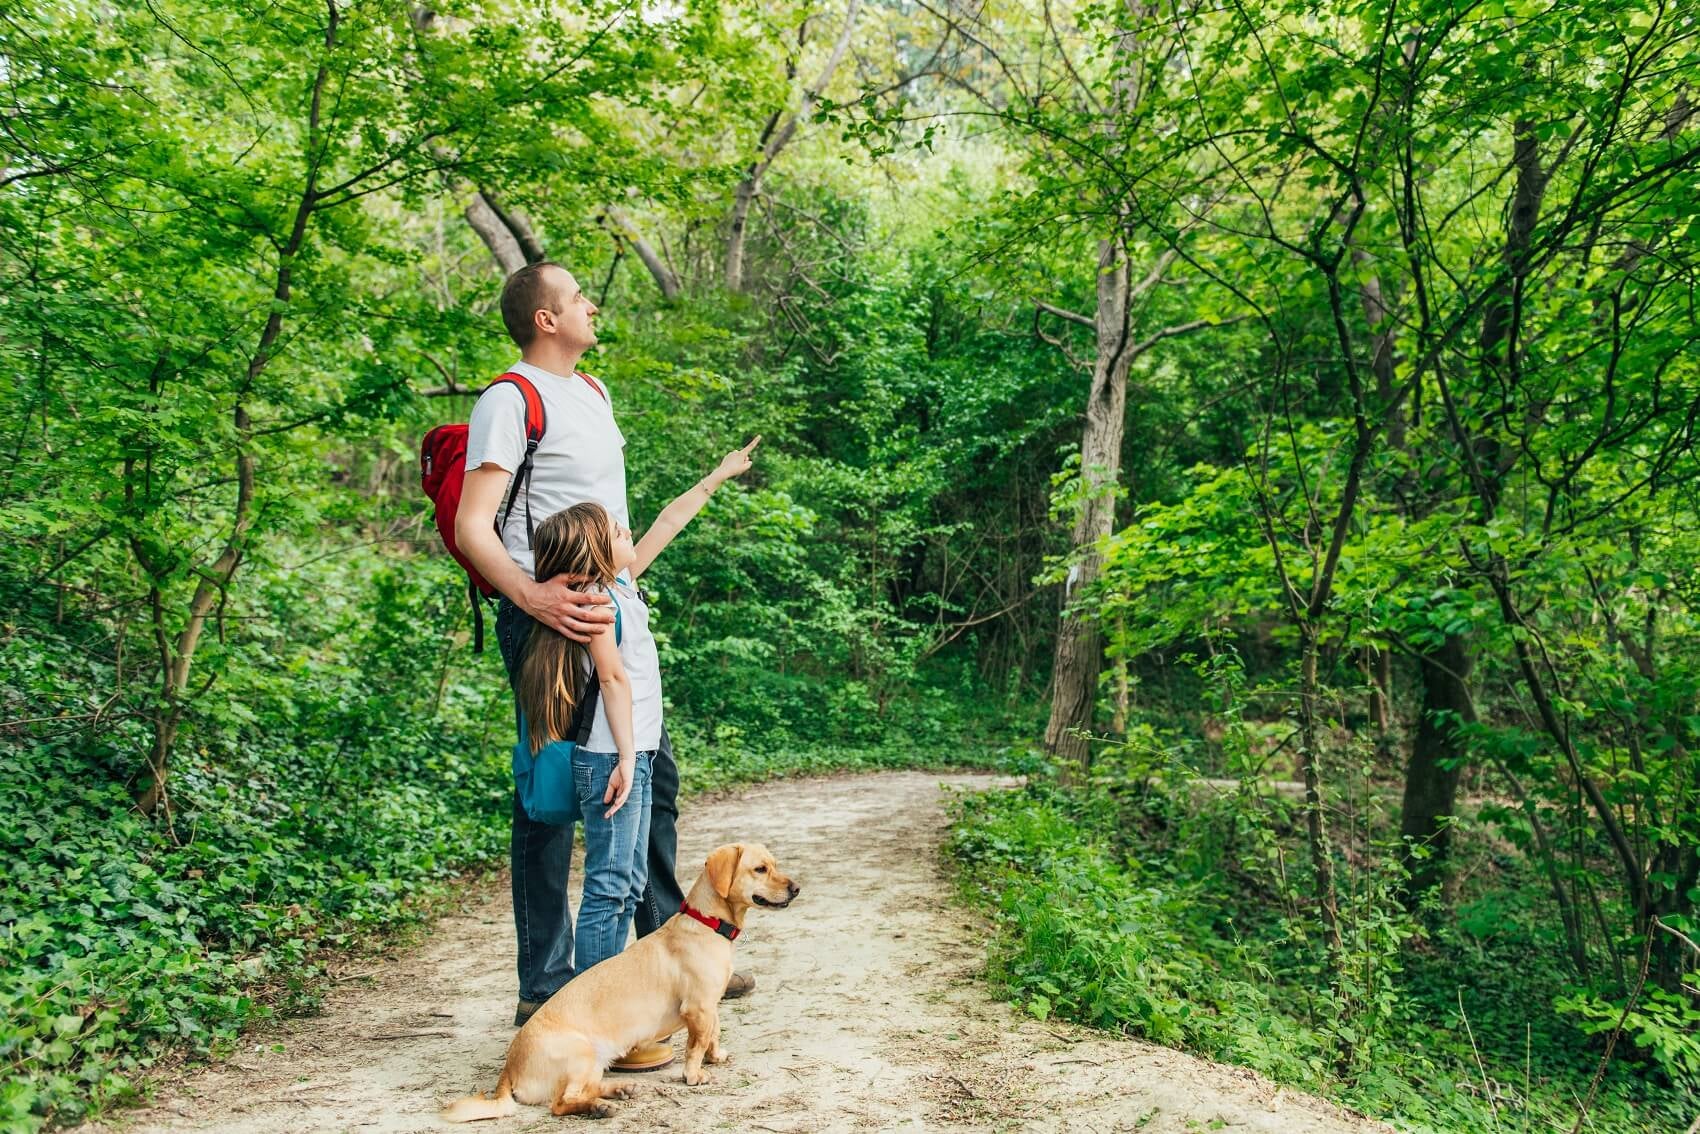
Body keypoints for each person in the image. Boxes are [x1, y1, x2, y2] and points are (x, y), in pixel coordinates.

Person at [455, 263, 754, 1067]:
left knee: (651, 780)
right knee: (552, 802)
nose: (592, 304)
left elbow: (619, 524)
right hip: (551, 622)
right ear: (546, 319)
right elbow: (474, 525)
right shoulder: (509, 400)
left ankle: (674, 963)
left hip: (612, 606)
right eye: (577, 297)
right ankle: (549, 989)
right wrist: (534, 598)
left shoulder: (592, 391)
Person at [515, 440, 755, 980]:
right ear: (594, 552)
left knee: (626, 883)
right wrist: (627, 759)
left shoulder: (619, 585)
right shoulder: (595, 603)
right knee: (610, 886)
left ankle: (608, 997)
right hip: (612, 758)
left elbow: (668, 522)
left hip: (633, 754)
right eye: (616, 530)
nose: (627, 531)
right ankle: (592, 1003)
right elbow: (613, 679)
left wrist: (717, 476)